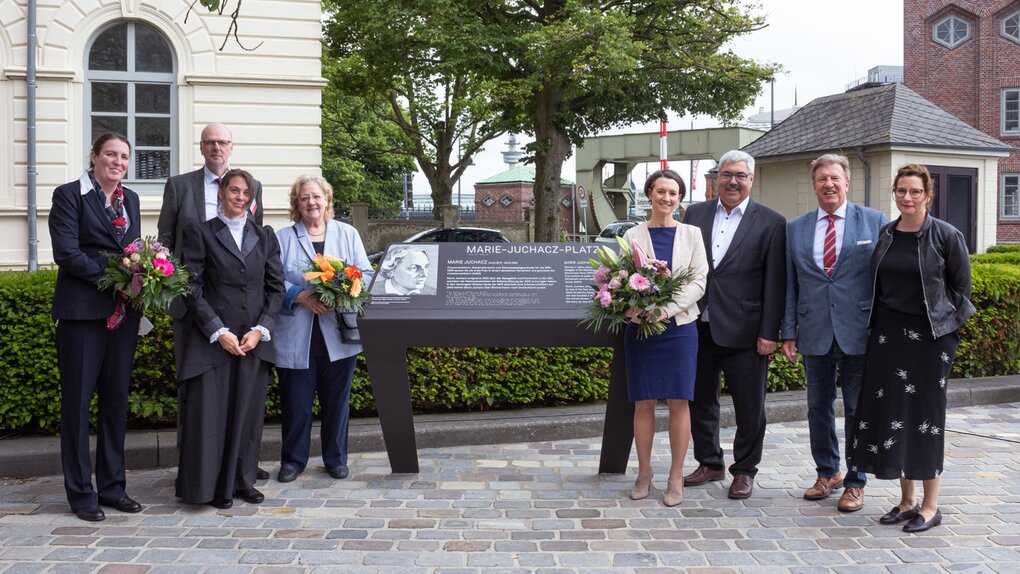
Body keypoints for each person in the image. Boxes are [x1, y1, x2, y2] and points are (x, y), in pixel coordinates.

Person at [848, 164, 975, 533]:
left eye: (915, 192)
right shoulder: (887, 234)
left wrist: (944, 334)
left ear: (928, 195)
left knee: (926, 419)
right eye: (902, 190)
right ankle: (906, 501)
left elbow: (961, 291)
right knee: (893, 415)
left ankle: (931, 506)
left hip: (930, 340)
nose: (907, 197)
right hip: (887, 337)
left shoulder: (946, 235)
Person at [157, 122, 270, 480]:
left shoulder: (251, 187)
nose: (216, 147)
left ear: (231, 146)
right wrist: (182, 291)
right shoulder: (180, 186)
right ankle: (193, 467)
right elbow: (164, 242)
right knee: (196, 390)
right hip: (193, 304)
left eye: (222, 142)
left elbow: (253, 246)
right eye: (210, 142)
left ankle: (238, 464)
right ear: (202, 147)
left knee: (237, 390)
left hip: (238, 309)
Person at [780, 154, 887, 513]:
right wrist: (788, 331)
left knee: (858, 408)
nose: (828, 184)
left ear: (847, 181)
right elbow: (791, 285)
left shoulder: (874, 222)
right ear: (814, 185)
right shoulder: (796, 228)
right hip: (814, 331)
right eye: (821, 178)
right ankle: (827, 472)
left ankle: (856, 481)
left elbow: (884, 280)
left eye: (834, 178)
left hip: (859, 332)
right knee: (817, 408)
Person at [173, 169, 285, 509]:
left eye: (245, 193)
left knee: (247, 416)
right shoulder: (200, 232)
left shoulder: (264, 235)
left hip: (252, 341)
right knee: (210, 416)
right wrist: (217, 330)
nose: (239, 197)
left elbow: (276, 288)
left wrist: (260, 329)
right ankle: (208, 489)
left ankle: (242, 482)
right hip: (213, 340)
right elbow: (191, 286)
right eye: (233, 190)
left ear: (251, 198)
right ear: (222, 192)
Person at [49, 132, 143, 521]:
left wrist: (145, 271)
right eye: (110, 154)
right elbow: (67, 254)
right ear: (94, 156)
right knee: (77, 405)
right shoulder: (69, 195)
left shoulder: (131, 199)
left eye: (123, 156)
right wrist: (118, 274)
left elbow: (133, 249)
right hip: (82, 315)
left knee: (115, 403)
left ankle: (112, 487)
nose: (117, 162)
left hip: (122, 317)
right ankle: (79, 492)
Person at [681, 149, 786, 500]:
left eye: (740, 175)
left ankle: (744, 470)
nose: (733, 181)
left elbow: (775, 282)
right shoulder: (694, 214)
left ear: (751, 180)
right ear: (717, 178)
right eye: (727, 174)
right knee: (700, 400)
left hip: (746, 330)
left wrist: (770, 332)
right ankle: (709, 462)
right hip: (697, 325)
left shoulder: (772, 222)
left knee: (750, 406)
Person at [274, 175, 373, 482]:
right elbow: (273, 280)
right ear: (296, 203)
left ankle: (335, 458)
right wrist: (300, 296)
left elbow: (366, 274)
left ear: (328, 200)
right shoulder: (283, 237)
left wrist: (344, 290)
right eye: (304, 198)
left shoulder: (347, 233)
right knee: (296, 404)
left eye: (317, 197)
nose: (311, 203)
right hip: (297, 334)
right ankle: (293, 461)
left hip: (338, 334)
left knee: (337, 403)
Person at [621, 170, 708, 507]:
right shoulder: (632, 234)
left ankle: (675, 476)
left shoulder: (692, 234)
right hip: (640, 329)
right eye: (661, 191)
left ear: (680, 198)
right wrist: (635, 312)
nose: (667, 198)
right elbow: (620, 279)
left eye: (673, 193)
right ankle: (643, 471)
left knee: (678, 401)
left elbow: (699, 281)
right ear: (649, 194)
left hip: (680, 328)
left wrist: (664, 311)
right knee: (642, 402)